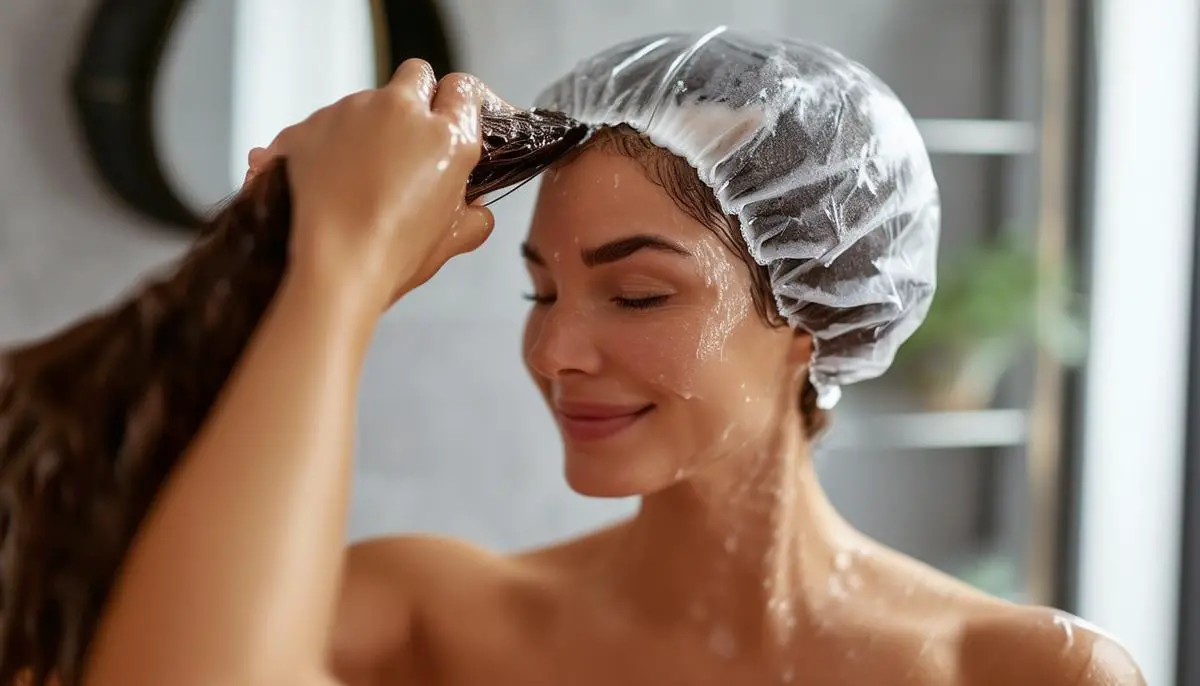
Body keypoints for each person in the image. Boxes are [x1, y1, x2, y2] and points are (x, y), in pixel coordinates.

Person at [12, 36, 1145, 686]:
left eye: (639, 291)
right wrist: (308, 281)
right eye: (540, 287)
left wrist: (334, 273)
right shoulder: (432, 619)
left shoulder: (1022, 675)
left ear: (815, 309)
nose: (554, 347)